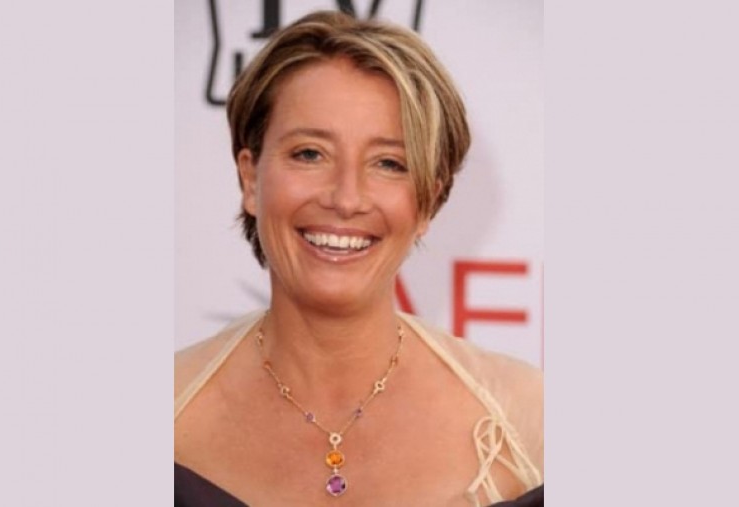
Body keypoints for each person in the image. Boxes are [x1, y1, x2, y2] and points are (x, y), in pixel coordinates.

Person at [175, 10, 543, 507]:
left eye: (389, 163)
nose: (346, 199)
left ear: (428, 202)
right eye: (310, 154)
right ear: (250, 178)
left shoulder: (526, 422)